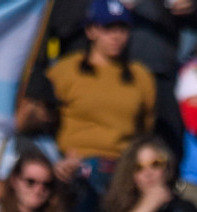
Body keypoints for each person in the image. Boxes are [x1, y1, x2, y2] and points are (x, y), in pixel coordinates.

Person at [51, 0, 160, 168]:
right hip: (76, 162)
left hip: (123, 164)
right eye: (108, 28)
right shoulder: (66, 70)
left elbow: (146, 128)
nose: (116, 36)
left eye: (122, 28)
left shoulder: (141, 76)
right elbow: (49, 119)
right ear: (90, 30)